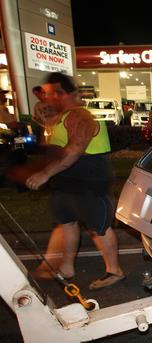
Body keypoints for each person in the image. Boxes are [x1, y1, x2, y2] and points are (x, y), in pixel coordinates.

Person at [26, 72, 125, 290]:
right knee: (68, 224)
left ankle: (114, 271)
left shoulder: (80, 116)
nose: (48, 98)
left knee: (99, 228)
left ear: (65, 93)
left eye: (52, 93)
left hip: (89, 183)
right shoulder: (62, 116)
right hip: (67, 183)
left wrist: (45, 174)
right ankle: (67, 268)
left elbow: (74, 150)